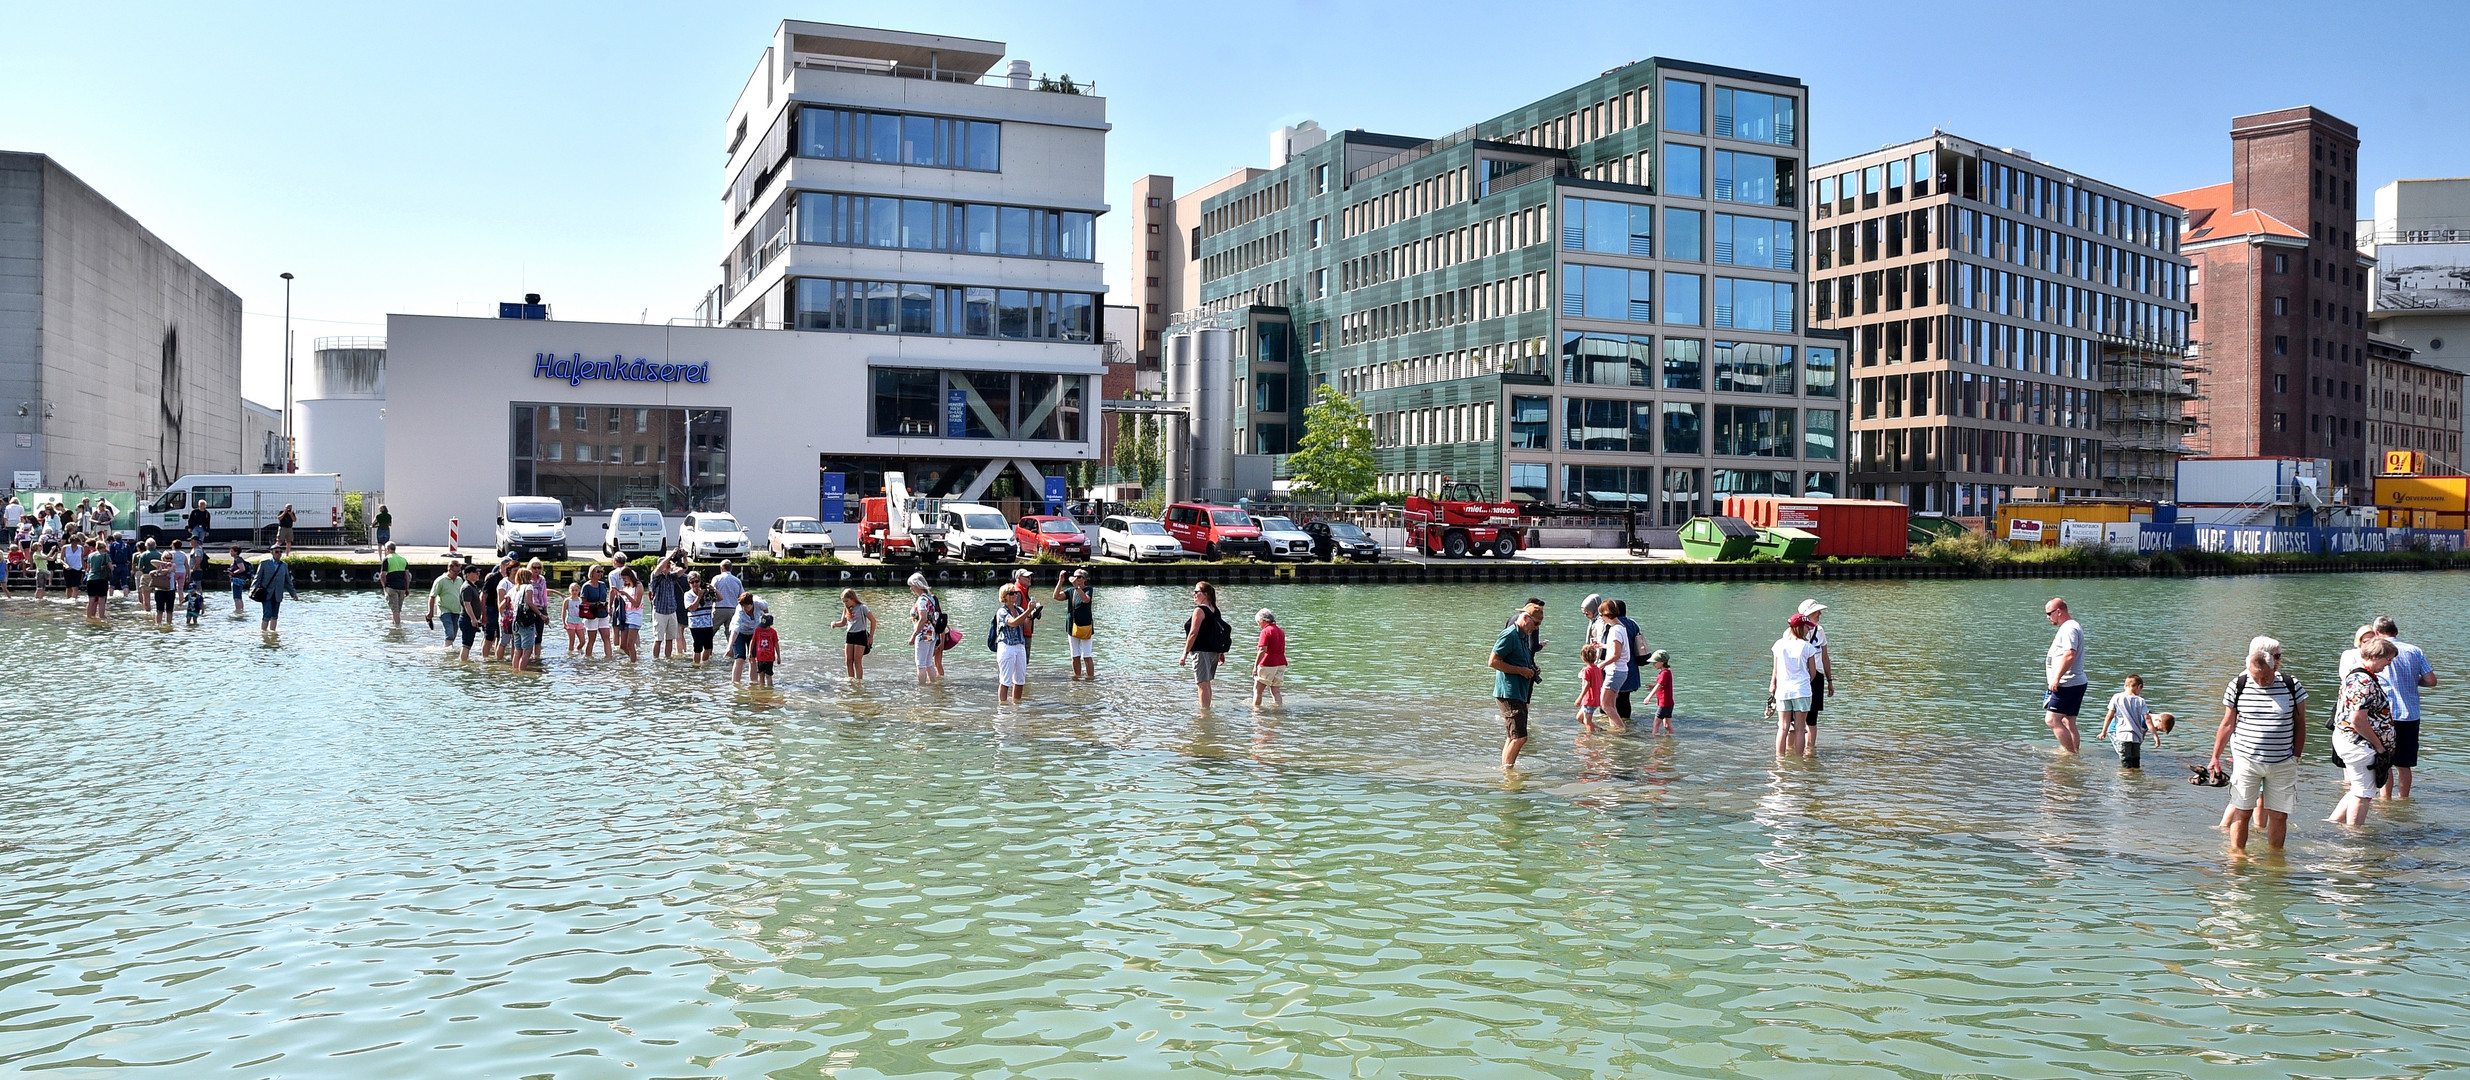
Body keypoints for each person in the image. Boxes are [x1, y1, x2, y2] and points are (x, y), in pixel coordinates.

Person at [2209, 636, 2307, 852]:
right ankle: (2237, 856)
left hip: (2283, 761)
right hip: (2247, 760)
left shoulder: (2291, 684)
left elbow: (2300, 724)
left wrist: (2295, 757)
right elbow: (2227, 724)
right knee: (2242, 811)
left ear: (2274, 667)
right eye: (2256, 677)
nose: (2261, 682)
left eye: (2265, 677)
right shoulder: (2238, 684)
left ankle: (2275, 857)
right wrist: (2215, 756)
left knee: (2279, 815)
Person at [2329, 638, 2398, 828]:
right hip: (2360, 744)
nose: (2389, 664)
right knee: (2364, 795)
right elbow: (2358, 719)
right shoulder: (2364, 681)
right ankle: (2354, 837)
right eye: (2388, 660)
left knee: (2357, 788)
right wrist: (2378, 745)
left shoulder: (2355, 675)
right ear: (2376, 656)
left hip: (2349, 741)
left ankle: (2331, 823)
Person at [2371, 617, 2435, 800]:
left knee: (2386, 761)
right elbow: (2431, 681)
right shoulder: (2415, 651)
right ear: (2396, 631)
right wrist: (2414, 681)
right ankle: (2404, 799)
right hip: (2411, 714)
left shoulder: (2378, 652)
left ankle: (2385, 800)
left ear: (2376, 633)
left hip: (2386, 715)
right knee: (2404, 764)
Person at [1491, 603, 1542, 768]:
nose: (1536, 628)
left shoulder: (1523, 635)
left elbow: (1519, 658)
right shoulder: (1510, 635)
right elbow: (1493, 662)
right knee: (1520, 737)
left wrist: (1532, 668)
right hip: (1508, 692)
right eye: (1536, 624)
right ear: (1526, 618)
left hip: (1518, 692)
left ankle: (1506, 768)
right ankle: (1508, 773)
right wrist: (1520, 671)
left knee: (1513, 737)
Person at [1770, 614, 1821, 757]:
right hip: (1802, 691)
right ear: (1800, 627)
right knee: (1800, 728)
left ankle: (1779, 760)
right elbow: (1813, 673)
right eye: (1806, 627)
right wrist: (1804, 681)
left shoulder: (1779, 644)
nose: (1808, 630)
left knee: (1783, 727)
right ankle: (1798, 760)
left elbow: (1775, 669)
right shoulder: (1807, 647)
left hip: (1783, 691)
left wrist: (1773, 684)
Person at [2042, 597, 2087, 754]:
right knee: (2069, 721)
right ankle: (2074, 751)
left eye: (2049, 613)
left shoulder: (2069, 628)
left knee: (2052, 720)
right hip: (2074, 682)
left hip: (2067, 683)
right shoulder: (2070, 626)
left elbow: (2070, 654)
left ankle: (2069, 754)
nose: (2048, 617)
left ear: (2058, 611)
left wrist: (2056, 678)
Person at [1180, 581, 1232, 710]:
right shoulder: (1214, 609)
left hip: (1201, 651)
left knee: (1202, 684)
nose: (1194, 594)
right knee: (1206, 683)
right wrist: (1220, 653)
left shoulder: (1199, 610)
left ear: (1205, 594)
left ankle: (1204, 714)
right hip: (1213, 651)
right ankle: (1207, 710)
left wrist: (1184, 653)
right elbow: (1218, 632)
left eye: (1197, 592)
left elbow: (1193, 633)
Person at [1589, 602, 1632, 733]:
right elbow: (1619, 648)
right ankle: (1614, 730)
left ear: (1607, 614)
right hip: (1621, 670)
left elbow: (1616, 655)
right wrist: (1603, 646)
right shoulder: (1621, 627)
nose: (1601, 618)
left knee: (1605, 704)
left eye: (1601, 615)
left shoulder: (1615, 630)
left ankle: (1621, 730)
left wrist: (1601, 664)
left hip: (1615, 671)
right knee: (1611, 705)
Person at [2099, 675, 2151, 770]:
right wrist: (2155, 736)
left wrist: (2103, 731)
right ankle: (2134, 781)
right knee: (2136, 762)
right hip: (2136, 736)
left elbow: (2109, 716)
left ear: (2125, 685)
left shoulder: (2116, 697)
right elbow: (2147, 718)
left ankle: (2126, 781)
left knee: (2126, 761)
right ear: (2139, 687)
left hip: (2122, 735)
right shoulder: (2141, 700)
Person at [1055, 569, 1096, 680]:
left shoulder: (1088, 590)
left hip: (1085, 626)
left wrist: (1077, 587)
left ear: (1084, 579)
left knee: (1087, 656)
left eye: (1079, 577)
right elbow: (1056, 596)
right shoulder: (1070, 590)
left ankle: (1090, 679)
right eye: (1075, 576)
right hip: (1072, 627)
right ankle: (1077, 677)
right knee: (1075, 656)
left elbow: (1085, 600)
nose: (1076, 579)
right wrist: (1060, 581)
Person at [1798, 600, 1835, 721]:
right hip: (1800, 676)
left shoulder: (1820, 631)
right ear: (1807, 615)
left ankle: (1810, 741)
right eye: (1816, 612)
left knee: (1812, 720)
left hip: (1817, 677)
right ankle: (1793, 741)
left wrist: (1830, 681)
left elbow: (1825, 657)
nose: (1820, 614)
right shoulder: (1793, 632)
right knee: (1795, 720)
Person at [994, 583, 1031, 704]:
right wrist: (1028, 611)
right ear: (1005, 596)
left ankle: (1017, 704)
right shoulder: (1002, 611)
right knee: (1005, 680)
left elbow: (1026, 626)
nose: (1015, 595)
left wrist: (1031, 615)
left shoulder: (1019, 609)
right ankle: (1003, 706)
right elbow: (1013, 622)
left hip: (1020, 646)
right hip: (1006, 646)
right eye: (1011, 593)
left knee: (1020, 679)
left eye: (1015, 593)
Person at [649, 555, 686, 660]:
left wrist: (684, 556)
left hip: (671, 611)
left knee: (670, 638)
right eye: (667, 564)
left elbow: (684, 568)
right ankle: (655, 659)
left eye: (670, 564)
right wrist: (671, 555)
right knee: (658, 639)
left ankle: (668, 659)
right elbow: (659, 568)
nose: (669, 565)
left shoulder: (671, 577)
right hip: (660, 611)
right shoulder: (655, 576)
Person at [255, 545, 299, 633]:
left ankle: (272, 633)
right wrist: (252, 590)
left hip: (278, 593)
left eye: (280, 552)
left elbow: (288, 581)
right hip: (266, 593)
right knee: (267, 613)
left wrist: (293, 593)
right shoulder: (264, 563)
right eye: (276, 552)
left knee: (275, 615)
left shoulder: (284, 565)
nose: (279, 554)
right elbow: (257, 578)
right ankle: (263, 633)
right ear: (271, 552)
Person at [907, 573, 942, 686]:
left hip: (923, 634)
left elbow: (923, 619)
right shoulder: (930, 598)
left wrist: (914, 635)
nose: (911, 588)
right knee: (928, 663)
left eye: (912, 585)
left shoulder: (922, 600)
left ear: (917, 585)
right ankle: (934, 686)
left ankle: (921, 689)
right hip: (932, 634)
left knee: (920, 664)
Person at [831, 588, 871, 680]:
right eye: (843, 602)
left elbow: (873, 620)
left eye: (847, 601)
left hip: (860, 634)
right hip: (850, 635)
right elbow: (843, 622)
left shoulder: (862, 607)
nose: (845, 603)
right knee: (848, 661)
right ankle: (851, 680)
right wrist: (835, 624)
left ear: (852, 598)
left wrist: (871, 636)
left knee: (857, 661)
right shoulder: (846, 609)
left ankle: (859, 681)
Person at [509, 568, 543, 673]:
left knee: (517, 650)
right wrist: (541, 614)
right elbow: (529, 602)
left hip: (515, 621)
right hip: (526, 621)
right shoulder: (529, 587)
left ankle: (515, 671)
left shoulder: (514, 588)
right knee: (527, 651)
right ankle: (522, 672)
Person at [1252, 608, 1287, 709]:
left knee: (1258, 690)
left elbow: (1262, 649)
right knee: (1276, 691)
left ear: (1263, 620)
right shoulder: (1281, 631)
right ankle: (1278, 711)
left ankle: (1256, 712)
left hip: (1268, 663)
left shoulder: (1266, 631)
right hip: (1281, 663)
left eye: (1258, 622)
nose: (1259, 625)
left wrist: (1255, 667)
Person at [730, 592, 768, 684]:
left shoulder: (759, 603)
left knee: (753, 658)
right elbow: (735, 629)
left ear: (751, 604)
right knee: (740, 658)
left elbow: (766, 610)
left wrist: (765, 622)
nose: (744, 609)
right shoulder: (740, 611)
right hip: (740, 633)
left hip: (753, 633)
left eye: (746, 606)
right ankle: (736, 684)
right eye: (742, 606)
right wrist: (729, 646)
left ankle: (753, 683)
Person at [425, 559, 462, 644]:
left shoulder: (459, 580)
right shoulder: (440, 581)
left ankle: (449, 648)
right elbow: (432, 596)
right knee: (450, 634)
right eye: (455, 571)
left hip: (457, 610)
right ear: (449, 569)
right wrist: (430, 612)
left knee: (454, 633)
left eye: (458, 571)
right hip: (444, 610)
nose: (457, 574)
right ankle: (448, 653)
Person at [578, 566, 612, 659]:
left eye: (601, 571)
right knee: (592, 639)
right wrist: (595, 604)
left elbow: (605, 597)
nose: (600, 573)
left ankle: (608, 657)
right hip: (592, 614)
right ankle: (588, 658)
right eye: (598, 571)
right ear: (592, 573)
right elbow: (583, 602)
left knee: (606, 637)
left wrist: (606, 606)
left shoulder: (602, 585)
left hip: (603, 613)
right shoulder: (587, 586)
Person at [1573, 643, 1607, 735]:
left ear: (1583, 657)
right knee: (1580, 718)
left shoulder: (1587, 670)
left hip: (1589, 700)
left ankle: (1589, 740)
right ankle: (1600, 730)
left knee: (1587, 722)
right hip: (1596, 698)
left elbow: (1587, 685)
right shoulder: (1598, 669)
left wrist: (1579, 698)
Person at [685, 574, 717, 665]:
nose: (695, 584)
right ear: (689, 583)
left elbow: (720, 598)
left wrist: (713, 589)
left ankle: (704, 664)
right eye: (692, 582)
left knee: (708, 647)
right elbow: (692, 608)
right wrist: (699, 596)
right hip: (695, 624)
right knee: (698, 647)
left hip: (707, 623)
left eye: (697, 581)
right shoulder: (688, 595)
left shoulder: (707, 593)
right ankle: (696, 665)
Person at [456, 564, 486, 660]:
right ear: (468, 574)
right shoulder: (467, 587)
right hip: (467, 619)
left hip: (470, 619)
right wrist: (473, 619)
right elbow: (467, 604)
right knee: (466, 643)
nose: (478, 574)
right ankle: (463, 661)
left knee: (468, 643)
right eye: (475, 573)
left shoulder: (472, 586)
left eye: (478, 573)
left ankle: (465, 660)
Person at [612, 567, 642, 662]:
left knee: (630, 644)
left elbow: (637, 604)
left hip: (635, 616)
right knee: (623, 645)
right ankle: (634, 660)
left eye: (625, 578)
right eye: (623, 579)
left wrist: (626, 594)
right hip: (626, 616)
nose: (624, 580)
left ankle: (633, 663)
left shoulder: (638, 586)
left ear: (629, 576)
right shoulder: (626, 586)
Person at [380, 542, 411, 626]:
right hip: (402, 587)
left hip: (391, 587)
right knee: (398, 610)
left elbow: (382, 575)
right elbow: (407, 576)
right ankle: (395, 623)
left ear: (387, 549)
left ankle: (397, 629)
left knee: (395, 610)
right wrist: (407, 588)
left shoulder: (387, 559)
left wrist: (384, 586)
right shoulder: (403, 559)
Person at [1647, 649, 1675, 735]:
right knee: (1667, 725)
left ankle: (1655, 740)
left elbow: (1659, 686)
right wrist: (1653, 686)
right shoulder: (1667, 672)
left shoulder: (1664, 674)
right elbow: (1662, 686)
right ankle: (1671, 738)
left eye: (1655, 662)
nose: (1653, 664)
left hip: (1664, 704)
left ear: (1662, 662)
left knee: (1655, 724)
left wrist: (1648, 697)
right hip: (1669, 704)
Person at [751, 613, 780, 689]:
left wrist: (778, 656)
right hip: (760, 657)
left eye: (765, 626)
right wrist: (750, 652)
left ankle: (770, 690)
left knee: (768, 675)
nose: (763, 628)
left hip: (770, 657)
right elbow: (753, 641)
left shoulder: (773, 632)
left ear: (771, 624)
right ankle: (762, 690)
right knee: (761, 674)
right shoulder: (757, 630)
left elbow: (776, 644)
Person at [144, 555, 174, 627]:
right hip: (159, 590)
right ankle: (158, 625)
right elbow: (152, 561)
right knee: (159, 610)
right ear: (163, 558)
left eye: (170, 558)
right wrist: (163, 563)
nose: (169, 560)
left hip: (170, 590)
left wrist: (156, 571)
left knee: (169, 610)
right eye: (167, 558)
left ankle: (169, 624)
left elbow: (168, 571)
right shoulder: (159, 565)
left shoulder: (173, 565)